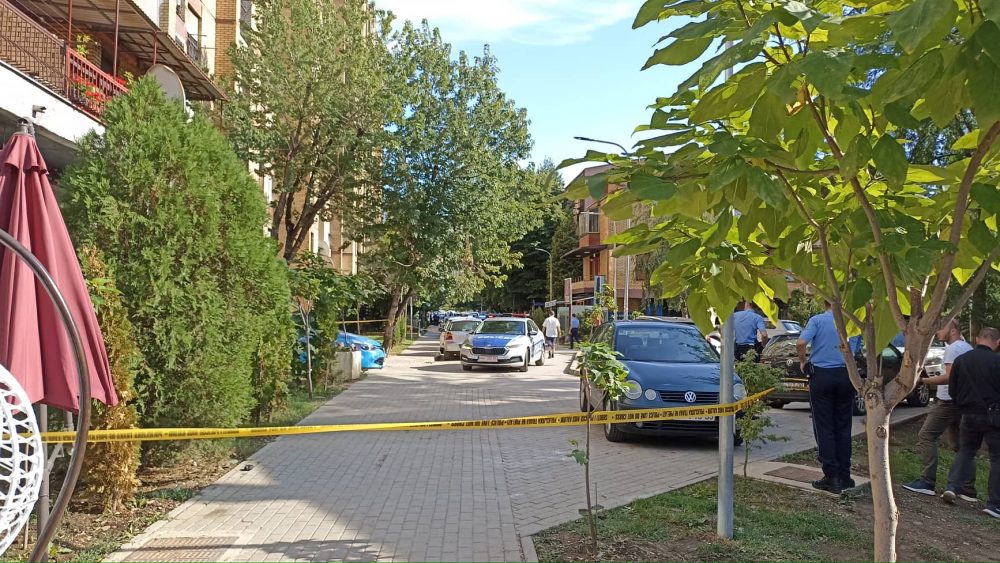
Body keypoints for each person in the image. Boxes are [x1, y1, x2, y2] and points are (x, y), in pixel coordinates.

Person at [902, 319, 973, 497]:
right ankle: (967, 489)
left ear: (953, 330)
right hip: (962, 401)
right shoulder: (967, 347)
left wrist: (922, 381)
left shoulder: (952, 349)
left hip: (947, 401)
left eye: (941, 328)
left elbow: (948, 377)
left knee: (926, 436)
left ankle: (927, 481)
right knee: (961, 445)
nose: (937, 331)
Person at [941, 327, 1000, 519]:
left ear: (977, 339)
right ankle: (994, 504)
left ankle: (952, 487)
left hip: (967, 413)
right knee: (997, 458)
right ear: (997, 342)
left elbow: (952, 389)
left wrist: (962, 405)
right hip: (993, 415)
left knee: (966, 451)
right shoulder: (997, 362)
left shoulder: (961, 360)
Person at [797, 302, 855, 493]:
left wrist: (803, 361)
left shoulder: (818, 320)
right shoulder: (851, 322)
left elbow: (801, 343)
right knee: (844, 427)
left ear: (824, 302)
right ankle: (845, 475)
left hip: (822, 376)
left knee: (824, 427)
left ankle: (831, 476)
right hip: (847, 375)